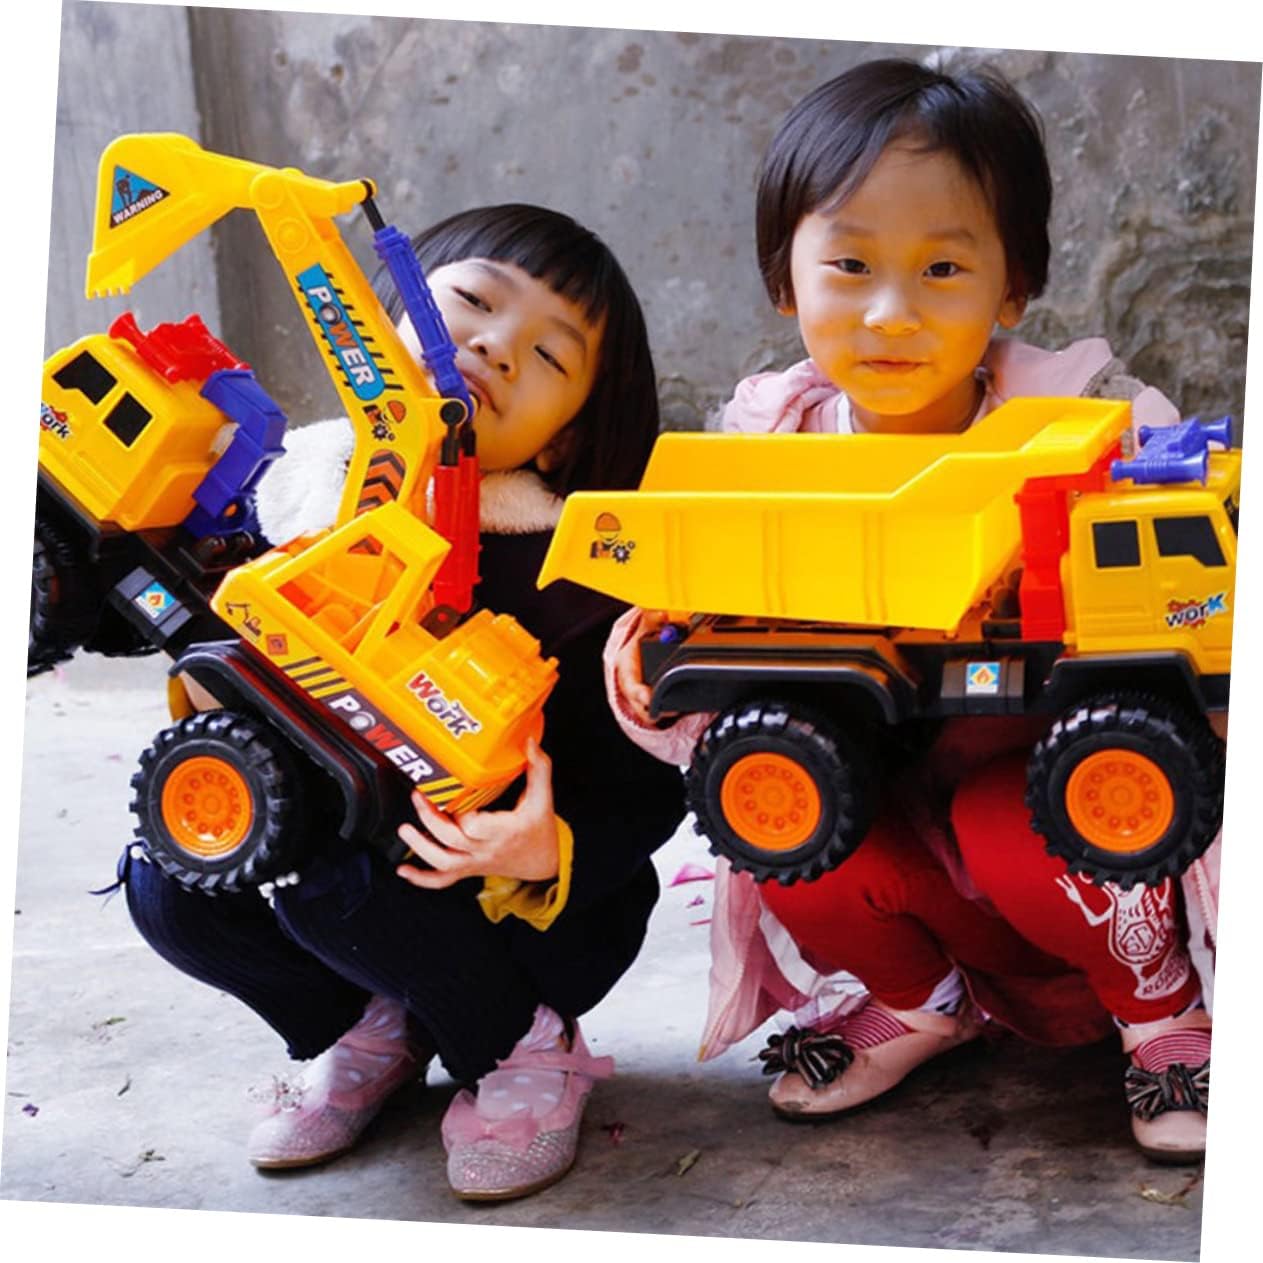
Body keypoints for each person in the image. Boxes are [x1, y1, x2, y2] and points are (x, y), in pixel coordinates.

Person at [607, 58, 1219, 1165]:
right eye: (849, 265)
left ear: (1011, 288)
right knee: (777, 812)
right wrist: (650, 644)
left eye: (943, 267)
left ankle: (1162, 1010)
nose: (891, 313)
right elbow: (687, 605)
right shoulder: (765, 446)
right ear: (786, 281)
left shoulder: (1089, 428)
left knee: (1028, 812)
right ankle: (918, 1001)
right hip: (887, 799)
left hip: (1058, 830)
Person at [119, 203, 686, 1200]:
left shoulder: (577, 578)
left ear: (563, 441)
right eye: (470, 301)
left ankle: (521, 1047)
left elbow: (650, 784)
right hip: (337, 862)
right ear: (372, 320)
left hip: (521, 914)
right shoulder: (294, 499)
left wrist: (549, 852)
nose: (494, 346)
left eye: (548, 356)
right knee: (169, 880)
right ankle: (363, 1028)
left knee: (337, 885)